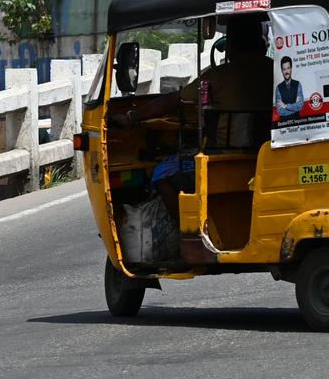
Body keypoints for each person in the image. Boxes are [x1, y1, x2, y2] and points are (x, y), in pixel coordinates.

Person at [108, 16, 273, 224]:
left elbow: (172, 100)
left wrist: (131, 117)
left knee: (161, 173)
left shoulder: (216, 77)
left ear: (230, 46)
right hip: (269, 160)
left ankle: (188, 233)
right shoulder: (277, 71)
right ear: (261, 44)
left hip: (222, 164)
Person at [275, 56, 304, 120]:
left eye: (288, 68)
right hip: (283, 124)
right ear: (282, 71)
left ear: (291, 69)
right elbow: (280, 111)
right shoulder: (278, 88)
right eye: (284, 69)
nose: (286, 72)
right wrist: (295, 107)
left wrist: (285, 106)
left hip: (297, 122)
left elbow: (300, 105)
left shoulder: (298, 84)